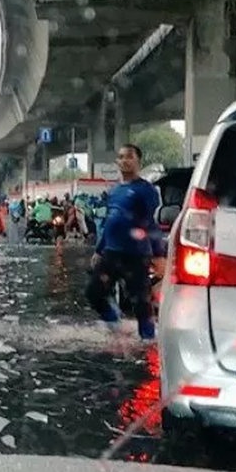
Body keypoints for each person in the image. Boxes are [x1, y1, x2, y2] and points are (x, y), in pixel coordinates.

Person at [85, 144, 165, 341]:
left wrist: (159, 254)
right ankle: (115, 324)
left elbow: (150, 222)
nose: (125, 161)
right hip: (111, 253)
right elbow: (109, 222)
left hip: (136, 255)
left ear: (138, 161)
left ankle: (148, 340)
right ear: (117, 162)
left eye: (129, 157)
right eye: (121, 157)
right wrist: (99, 250)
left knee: (140, 302)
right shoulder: (114, 191)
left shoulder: (146, 190)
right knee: (93, 292)